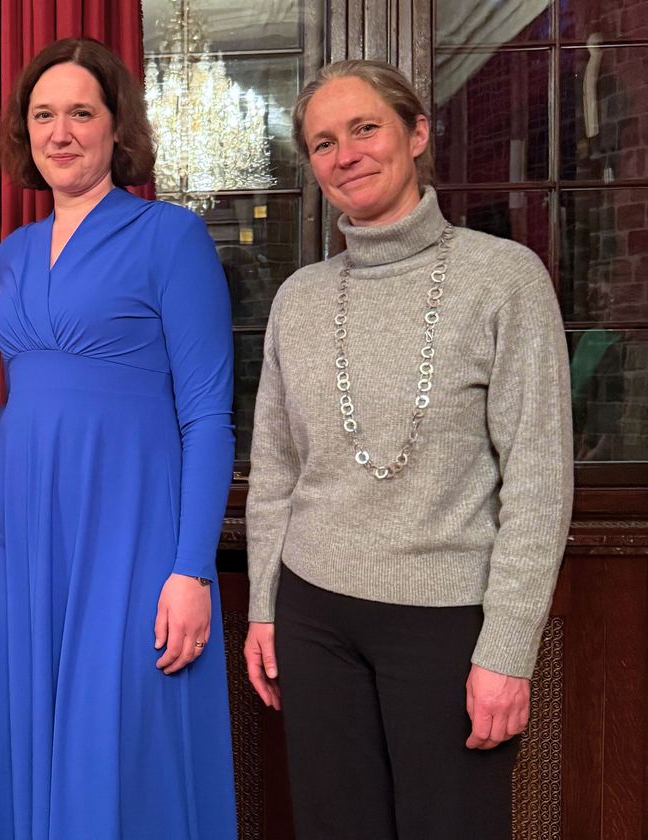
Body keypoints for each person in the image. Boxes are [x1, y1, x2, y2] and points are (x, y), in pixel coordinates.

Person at [242, 60, 573, 839]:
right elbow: (277, 471)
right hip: (315, 615)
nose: (345, 155)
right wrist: (264, 606)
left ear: (416, 133)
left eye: (365, 129)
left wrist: (510, 650)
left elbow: (538, 480)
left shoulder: (504, 280)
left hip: (447, 620)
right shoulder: (300, 298)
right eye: (323, 142)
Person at [0, 37, 237, 840]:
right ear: (25, 131)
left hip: (130, 531)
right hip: (25, 535)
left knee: (115, 738)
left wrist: (191, 571)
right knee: (30, 727)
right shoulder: (10, 256)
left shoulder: (169, 237)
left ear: (118, 130)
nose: (61, 132)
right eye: (45, 115)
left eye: (82, 112)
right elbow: (30, 394)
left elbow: (209, 413)